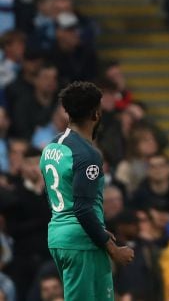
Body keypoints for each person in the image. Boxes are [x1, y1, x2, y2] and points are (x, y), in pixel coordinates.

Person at [39, 81, 134, 300]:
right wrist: (113, 248)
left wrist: (98, 232)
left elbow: (51, 195)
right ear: (96, 114)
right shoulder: (88, 155)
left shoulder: (51, 147)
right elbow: (82, 208)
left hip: (60, 235)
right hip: (80, 241)